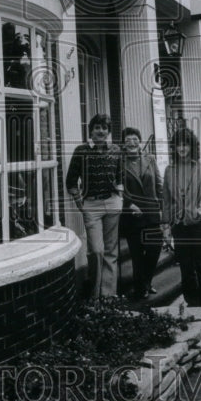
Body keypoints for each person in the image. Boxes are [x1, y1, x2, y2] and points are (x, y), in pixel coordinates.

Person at [65, 113, 123, 300]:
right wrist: (80, 205)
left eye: (104, 128)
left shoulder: (115, 150)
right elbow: (71, 181)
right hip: (92, 205)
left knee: (111, 251)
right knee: (96, 250)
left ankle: (108, 296)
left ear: (108, 132)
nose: (101, 131)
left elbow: (121, 177)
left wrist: (119, 196)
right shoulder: (81, 151)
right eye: (97, 127)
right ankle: (94, 297)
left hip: (112, 203)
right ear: (90, 131)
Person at [161, 127, 201, 308]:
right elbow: (166, 201)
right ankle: (193, 306)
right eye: (178, 145)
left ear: (192, 146)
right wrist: (166, 227)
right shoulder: (169, 170)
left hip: (200, 224)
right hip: (179, 225)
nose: (182, 148)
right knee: (185, 267)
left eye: (185, 144)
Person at [120, 127, 163, 300]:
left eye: (135, 139)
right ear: (123, 143)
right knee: (137, 254)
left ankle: (146, 282)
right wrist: (129, 204)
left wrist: (162, 206)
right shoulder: (118, 162)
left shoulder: (150, 159)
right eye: (128, 139)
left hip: (151, 213)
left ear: (140, 141)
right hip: (132, 216)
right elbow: (116, 187)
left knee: (154, 249)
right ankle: (141, 288)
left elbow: (158, 183)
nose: (132, 142)